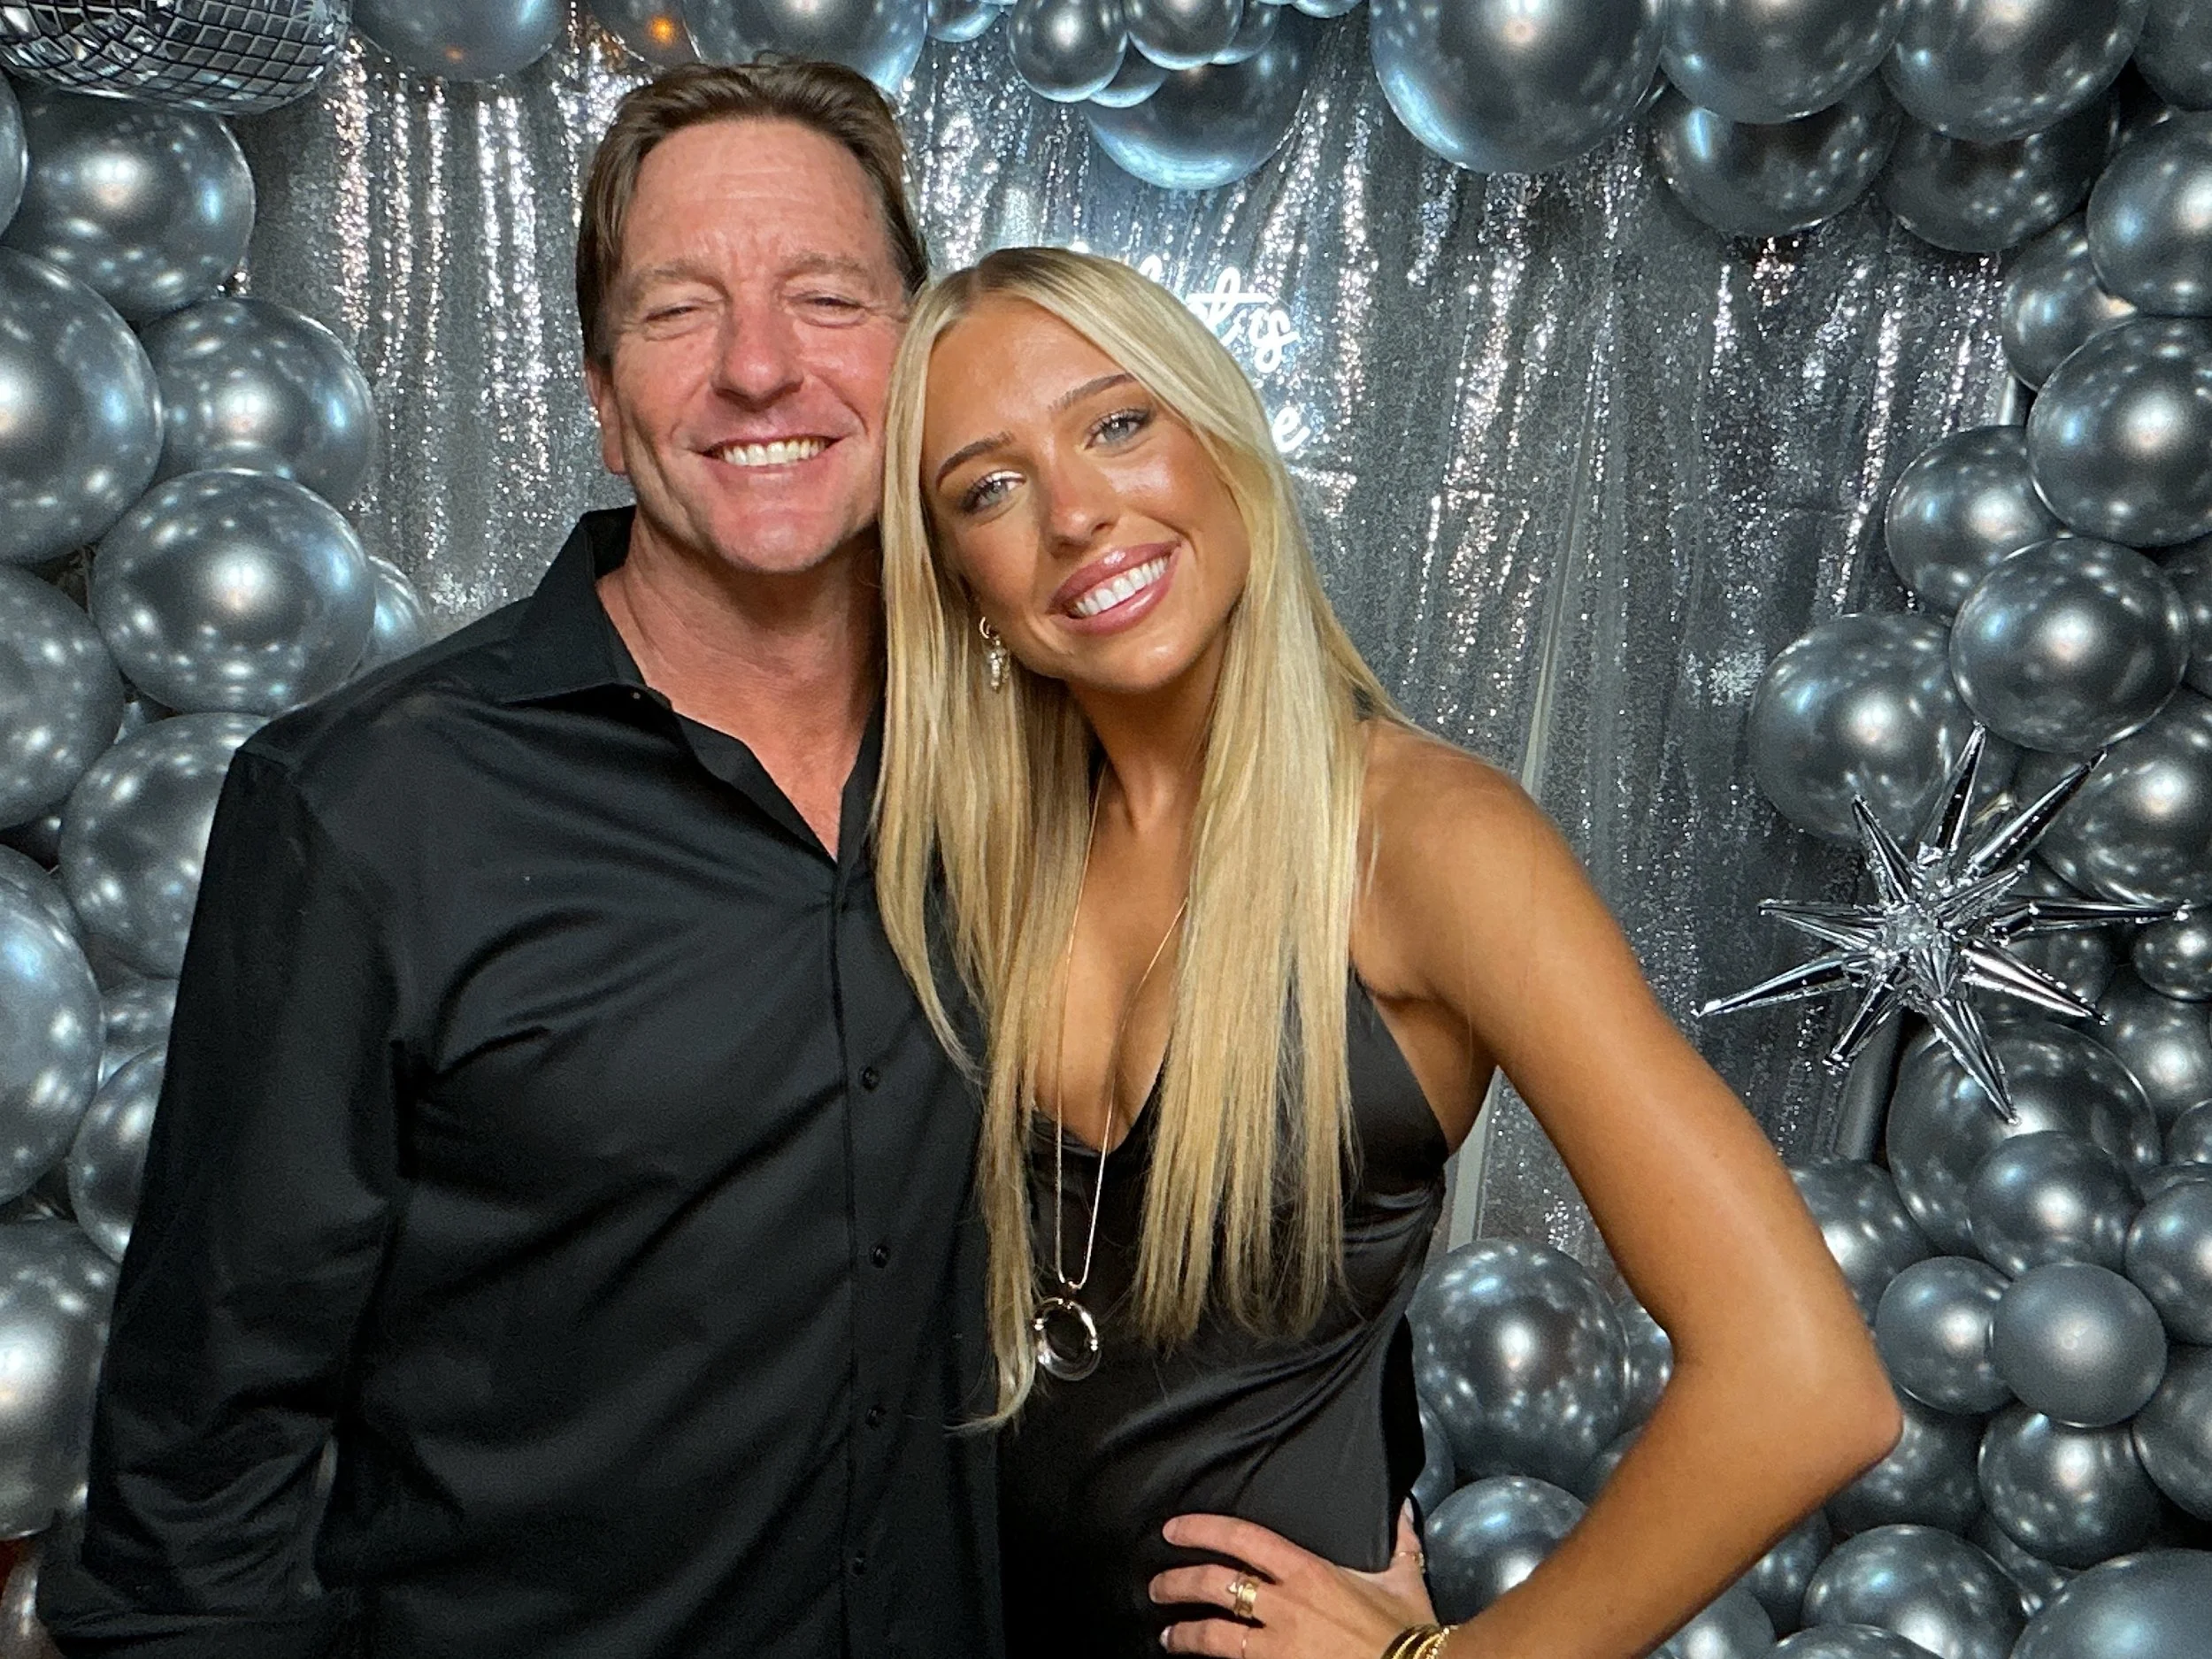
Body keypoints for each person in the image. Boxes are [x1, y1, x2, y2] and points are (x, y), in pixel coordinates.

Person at [39, 63, 1000, 1659]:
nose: (761, 369)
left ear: (918, 359)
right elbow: (200, 1468)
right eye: (681, 309)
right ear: (603, 395)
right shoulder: (366, 806)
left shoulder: (1044, 762)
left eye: (829, 298)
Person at [870, 246, 1904, 1659]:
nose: (1075, 513)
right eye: (987, 488)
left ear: (1222, 439)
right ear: (961, 587)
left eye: (1119, 422)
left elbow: (1805, 1379)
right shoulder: (965, 866)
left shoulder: (1428, 842)